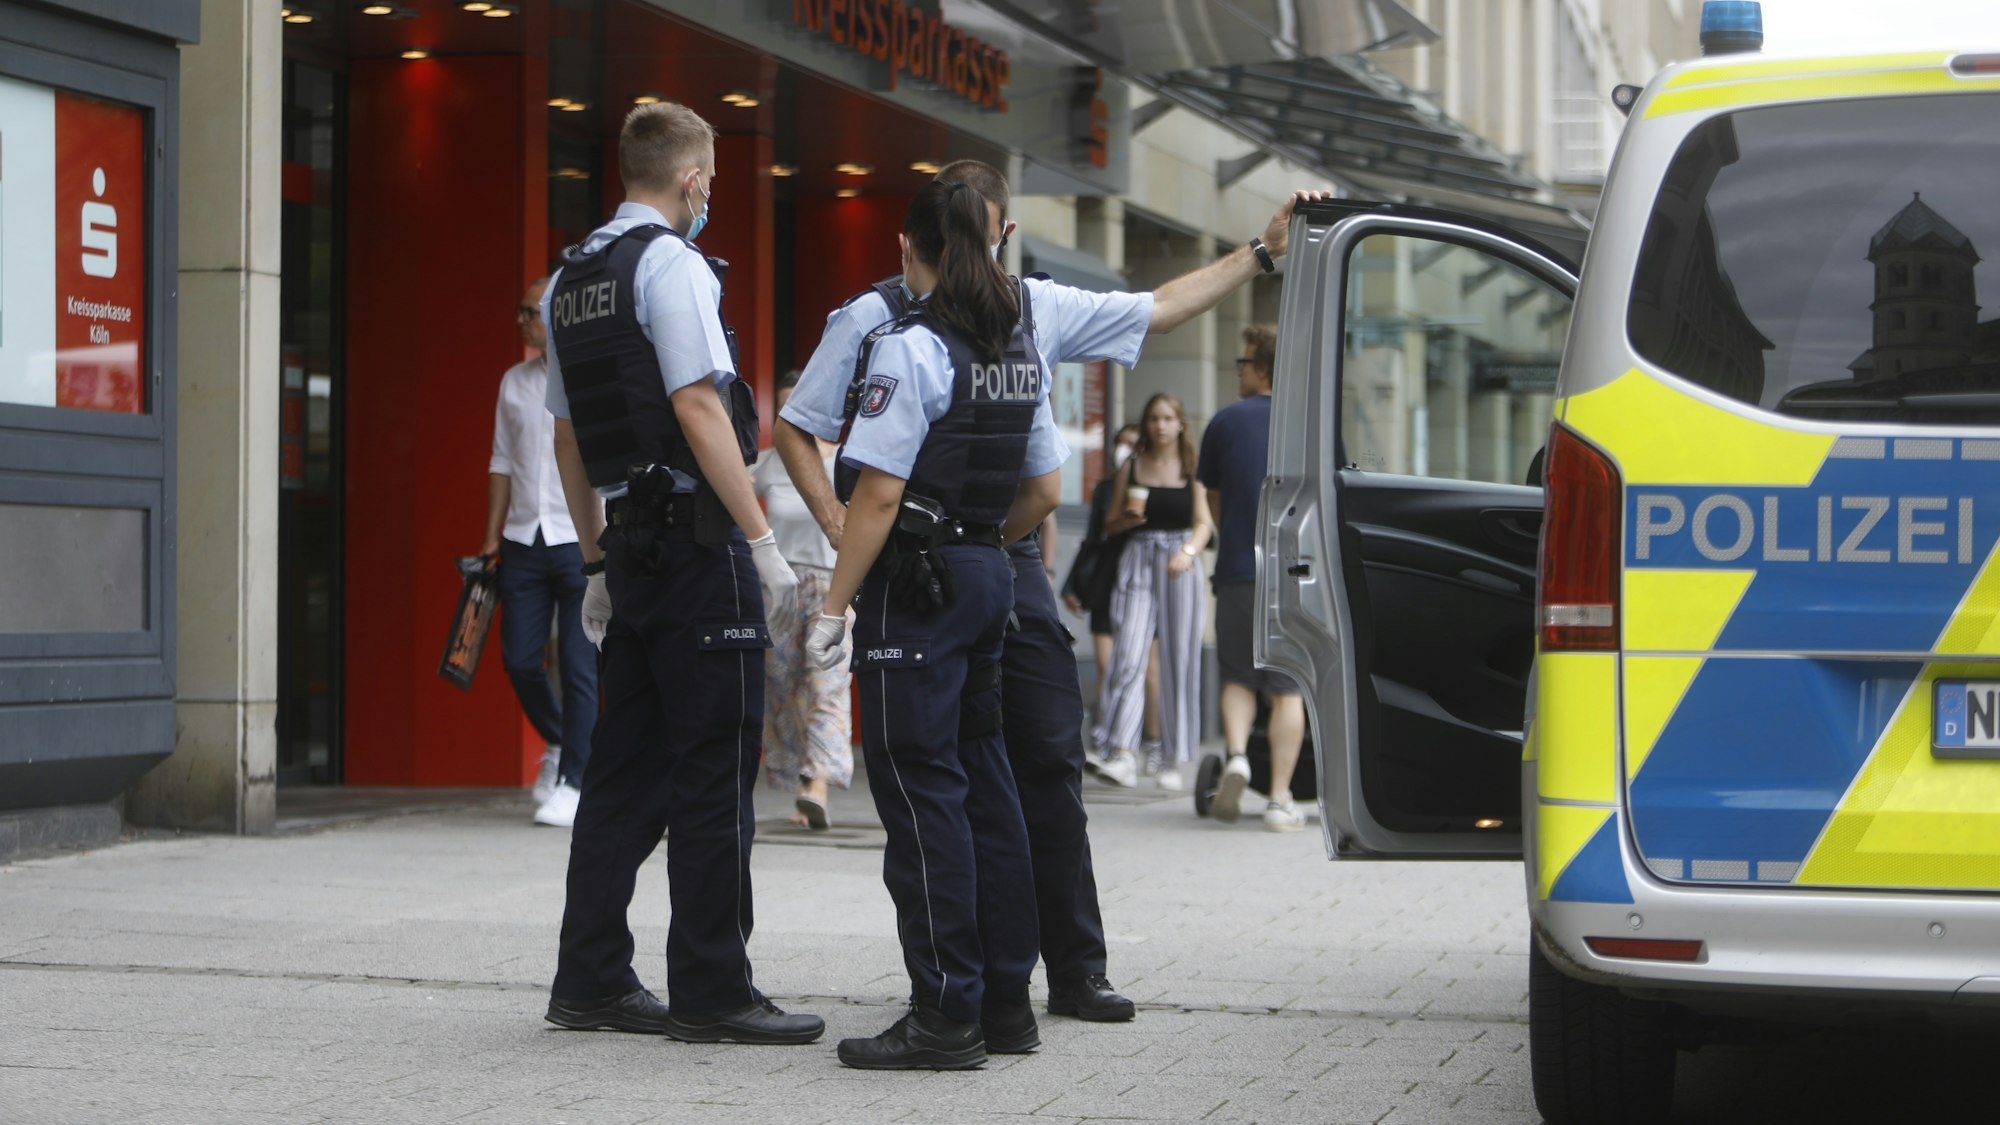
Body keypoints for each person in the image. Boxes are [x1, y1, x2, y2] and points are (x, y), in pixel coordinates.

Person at [777, 158, 1332, 1024]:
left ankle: (1060, 971)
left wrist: (1260, 256)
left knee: (1036, 763)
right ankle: (995, 992)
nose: (993, 247)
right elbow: (799, 426)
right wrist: (845, 530)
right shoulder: (875, 319)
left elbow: (1159, 309)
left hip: (994, 565)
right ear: (971, 232)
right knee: (968, 774)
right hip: (953, 565)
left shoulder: (1027, 308)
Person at [536, 102, 824, 1045]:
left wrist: (593, 562)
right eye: (712, 181)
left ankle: (590, 978)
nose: (712, 195)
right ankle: (712, 988)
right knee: (712, 770)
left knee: (623, 769)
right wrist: (761, 543)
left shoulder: (567, 282)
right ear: (693, 178)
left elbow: (570, 436)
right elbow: (699, 403)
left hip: (630, 549)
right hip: (700, 553)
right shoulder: (672, 265)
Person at [805, 179, 1063, 1069]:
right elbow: (1044, 491)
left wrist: (834, 606)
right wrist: (980, 550)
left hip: (917, 590)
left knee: (921, 796)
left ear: (908, 244)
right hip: (991, 568)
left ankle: (943, 1016)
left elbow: (876, 491)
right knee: (986, 784)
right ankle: (1005, 1003)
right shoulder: (1017, 342)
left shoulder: (911, 344)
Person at [479, 278, 600, 828]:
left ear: (555, 317)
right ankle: (557, 740)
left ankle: (576, 781)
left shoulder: (589, 381)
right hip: (523, 539)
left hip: (579, 540)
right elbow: (501, 462)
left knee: (579, 665)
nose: (521, 320)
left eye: (529, 311)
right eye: (519, 309)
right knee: (520, 659)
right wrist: (490, 535)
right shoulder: (513, 383)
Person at [1197, 324, 1306, 831]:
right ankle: (1280, 798)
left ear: (1260, 367)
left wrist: (1238, 538)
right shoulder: (1307, 425)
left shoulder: (1223, 422)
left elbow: (1213, 501)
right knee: (1288, 685)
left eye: (1242, 363)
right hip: (1292, 574)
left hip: (1239, 569)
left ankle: (1238, 756)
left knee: (1238, 675)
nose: (1237, 371)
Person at [1088, 393, 1213, 791]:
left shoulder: (1193, 467)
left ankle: (1173, 760)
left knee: (1179, 658)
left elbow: (1204, 524)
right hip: (1138, 556)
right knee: (1128, 654)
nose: (1160, 425)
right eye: (1153, 418)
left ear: (1179, 424)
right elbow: (1109, 524)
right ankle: (1122, 751)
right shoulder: (1131, 465)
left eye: (1167, 418)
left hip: (1180, 563)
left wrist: (1189, 552)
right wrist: (1126, 519)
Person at [752, 369, 853, 829]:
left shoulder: (848, 462)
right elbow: (730, 502)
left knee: (827, 684)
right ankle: (801, 781)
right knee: (781, 684)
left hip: (835, 584)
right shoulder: (768, 463)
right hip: (779, 588)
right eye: (786, 407)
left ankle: (818, 787)